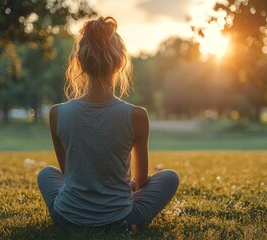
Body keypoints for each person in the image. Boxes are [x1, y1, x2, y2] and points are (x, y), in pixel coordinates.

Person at [37, 17, 179, 232]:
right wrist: (127, 186)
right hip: (120, 220)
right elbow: (140, 181)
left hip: (66, 217)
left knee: (47, 173)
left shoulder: (57, 113)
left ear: (80, 61)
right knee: (169, 177)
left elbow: (68, 175)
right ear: (120, 62)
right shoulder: (136, 115)